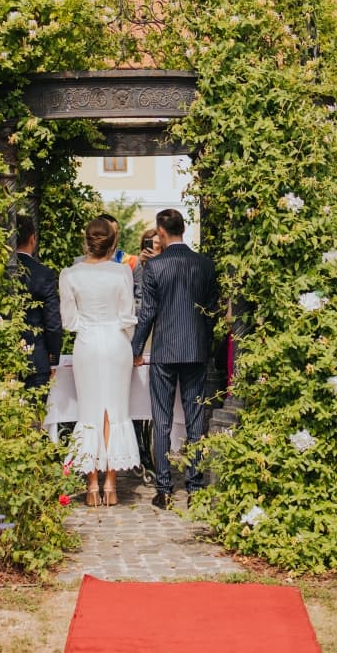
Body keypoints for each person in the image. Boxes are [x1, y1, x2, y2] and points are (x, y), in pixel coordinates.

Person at [131, 208, 219, 509]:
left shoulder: (155, 267)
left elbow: (147, 314)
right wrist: (205, 344)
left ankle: (164, 489)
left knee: (162, 419)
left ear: (162, 232)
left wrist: (136, 349)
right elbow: (211, 313)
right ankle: (194, 487)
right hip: (195, 350)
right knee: (195, 420)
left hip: (165, 351)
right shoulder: (205, 265)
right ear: (183, 228)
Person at [59, 217, 141, 506]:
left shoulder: (69, 274)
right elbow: (128, 316)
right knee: (115, 410)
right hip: (116, 342)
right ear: (112, 243)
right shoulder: (122, 272)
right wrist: (127, 344)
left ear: (86, 241)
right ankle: (111, 486)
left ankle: (92, 486)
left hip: (87, 343)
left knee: (89, 411)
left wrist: (89, 328)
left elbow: (69, 321)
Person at [15, 215, 62, 392]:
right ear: (32, 238)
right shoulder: (43, 274)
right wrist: (53, 358)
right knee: (34, 416)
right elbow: (52, 322)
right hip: (36, 357)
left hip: (2, 357)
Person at [132, 227, 162, 304]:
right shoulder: (134, 263)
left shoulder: (166, 265)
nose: (153, 246)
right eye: (149, 242)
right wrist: (139, 263)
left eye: (156, 242)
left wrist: (157, 263)